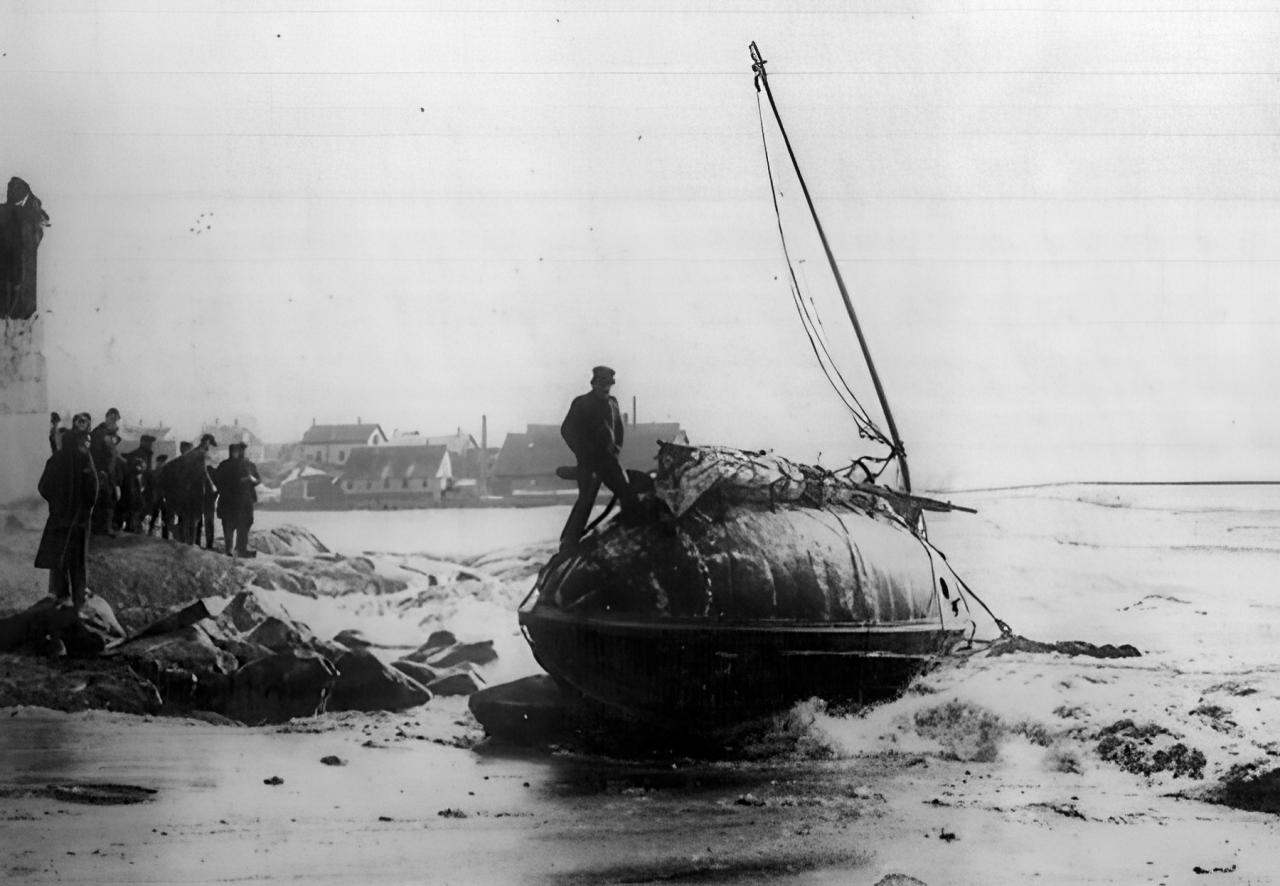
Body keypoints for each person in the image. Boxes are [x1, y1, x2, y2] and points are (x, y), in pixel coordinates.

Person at [559, 364, 641, 549]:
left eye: (609, 385)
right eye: (603, 384)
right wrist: (583, 452)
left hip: (609, 461)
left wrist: (616, 448)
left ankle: (632, 532)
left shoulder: (613, 402)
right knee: (586, 500)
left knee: (627, 494)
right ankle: (568, 541)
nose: (606, 388)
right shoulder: (581, 403)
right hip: (589, 463)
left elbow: (618, 429)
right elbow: (567, 430)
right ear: (594, 384)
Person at [34, 429, 99, 611]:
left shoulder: (54, 460)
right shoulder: (85, 457)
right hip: (79, 521)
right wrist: (86, 509)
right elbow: (93, 489)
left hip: (58, 520)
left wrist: (56, 504)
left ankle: (61, 595)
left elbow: (43, 487)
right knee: (78, 561)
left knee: (59, 557)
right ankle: (79, 599)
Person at [213, 441, 260, 557]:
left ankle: (230, 549)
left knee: (229, 525)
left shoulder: (224, 465)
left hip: (228, 501)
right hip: (243, 501)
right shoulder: (248, 465)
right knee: (242, 525)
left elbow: (216, 480)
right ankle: (240, 549)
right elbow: (257, 480)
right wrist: (249, 480)